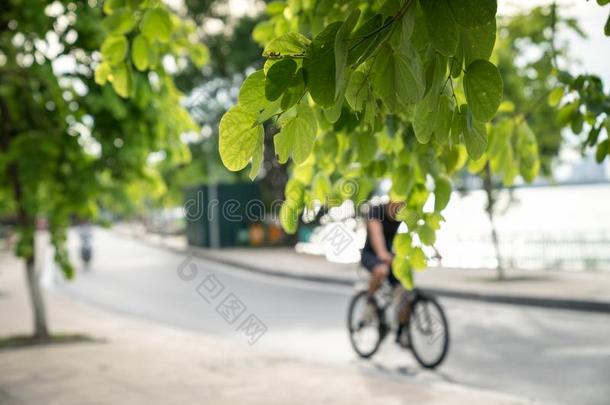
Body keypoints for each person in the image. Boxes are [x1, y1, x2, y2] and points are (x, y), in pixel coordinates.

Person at [360, 201, 404, 298]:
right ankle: (370, 301)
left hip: (389, 255)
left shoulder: (401, 214)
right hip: (371, 254)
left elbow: (418, 231)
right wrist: (382, 253)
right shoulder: (377, 211)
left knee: (406, 293)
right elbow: (376, 235)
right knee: (381, 271)